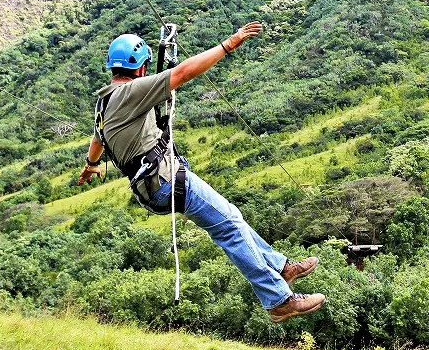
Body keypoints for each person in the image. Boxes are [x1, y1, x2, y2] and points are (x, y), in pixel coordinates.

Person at [77, 22, 325, 323]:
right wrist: (228, 44)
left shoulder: (103, 103)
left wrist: (90, 166)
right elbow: (182, 73)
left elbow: (96, 139)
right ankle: (278, 300)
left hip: (152, 187)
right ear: (140, 69)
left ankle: (281, 267)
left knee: (232, 216)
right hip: (167, 181)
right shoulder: (132, 92)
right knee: (230, 227)